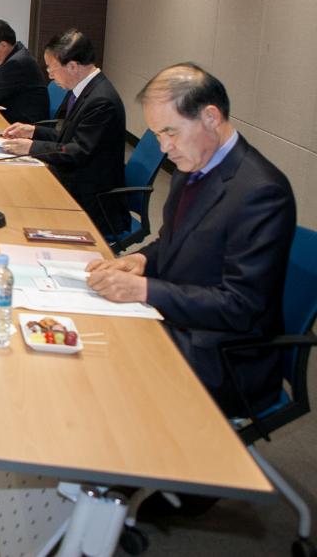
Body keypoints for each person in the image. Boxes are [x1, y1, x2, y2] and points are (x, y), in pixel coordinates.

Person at [86, 63, 295, 418]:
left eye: (171, 132)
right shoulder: (193, 165)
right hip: (177, 317)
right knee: (89, 338)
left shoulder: (262, 193)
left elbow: (240, 306)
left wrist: (143, 290)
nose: (165, 147)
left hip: (224, 353)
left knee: (103, 368)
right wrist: (141, 261)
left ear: (211, 117)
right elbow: (172, 239)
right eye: (156, 135)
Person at [0, 29, 127, 232]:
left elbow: (78, 151)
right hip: (74, 180)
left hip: (90, 199)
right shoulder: (84, 89)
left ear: (73, 66)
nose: (50, 76)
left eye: (51, 69)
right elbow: (70, 137)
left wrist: (31, 148)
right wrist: (33, 131)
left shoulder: (101, 100)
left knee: (16, 206)